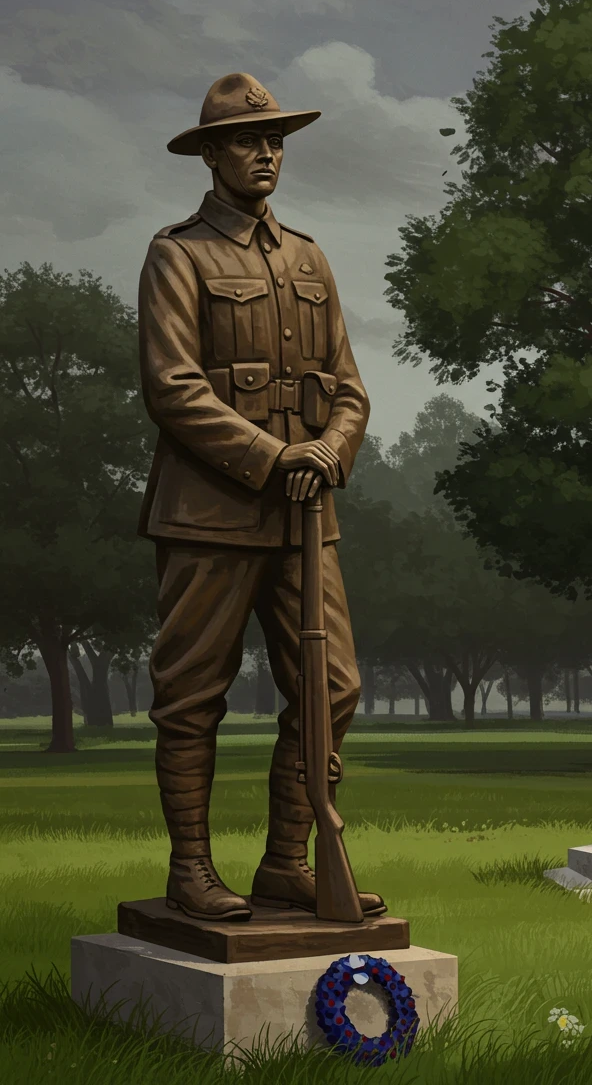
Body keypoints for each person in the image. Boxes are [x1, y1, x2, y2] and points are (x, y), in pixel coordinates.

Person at [137, 72, 385, 921]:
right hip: (210, 513)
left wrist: (328, 451)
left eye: (276, 139)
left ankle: (288, 860)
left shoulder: (310, 256)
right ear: (211, 154)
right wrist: (275, 456)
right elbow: (173, 388)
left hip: (306, 517)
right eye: (249, 139)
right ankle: (192, 871)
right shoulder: (179, 253)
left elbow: (348, 386)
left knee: (334, 686)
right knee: (192, 693)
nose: (268, 152)